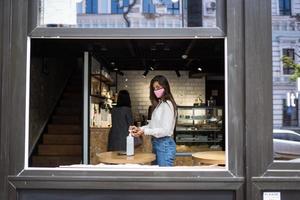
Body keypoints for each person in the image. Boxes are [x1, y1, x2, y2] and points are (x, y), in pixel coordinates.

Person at [130, 75, 177, 167]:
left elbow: (165, 130)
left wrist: (144, 131)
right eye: (154, 88)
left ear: (165, 87)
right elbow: (153, 125)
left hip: (164, 145)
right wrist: (140, 129)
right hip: (158, 143)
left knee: (163, 178)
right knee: (157, 177)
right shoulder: (160, 104)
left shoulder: (167, 105)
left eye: (158, 87)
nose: (156, 90)